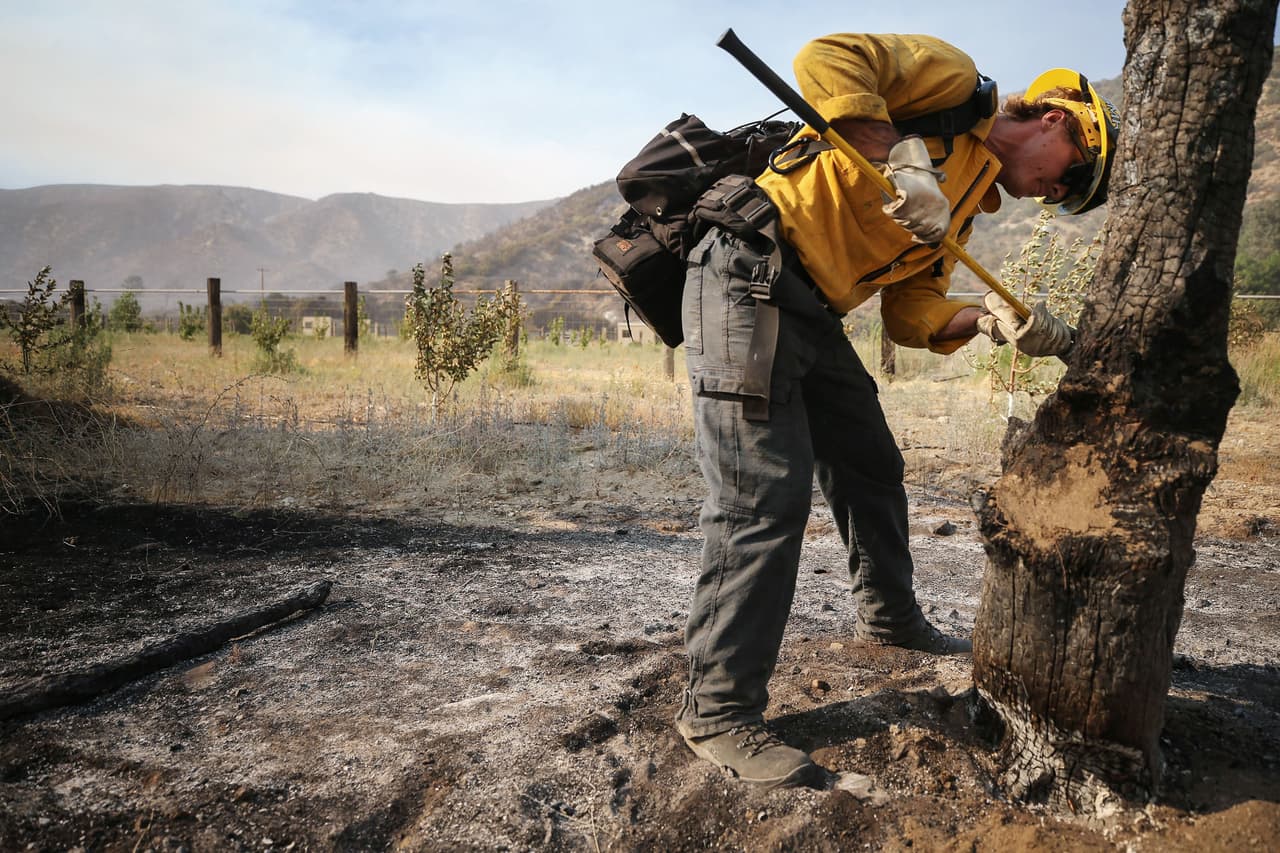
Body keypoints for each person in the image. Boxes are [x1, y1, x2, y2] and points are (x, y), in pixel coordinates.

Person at [677, 32, 1119, 789]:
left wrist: (989, 318)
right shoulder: (954, 83)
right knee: (763, 494)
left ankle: (889, 618)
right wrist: (901, 160)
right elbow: (828, 57)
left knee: (869, 460)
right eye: (1067, 180)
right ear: (1058, 121)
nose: (1052, 197)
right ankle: (716, 710)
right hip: (747, 264)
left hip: (808, 306)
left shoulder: (969, 210)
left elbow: (911, 318)